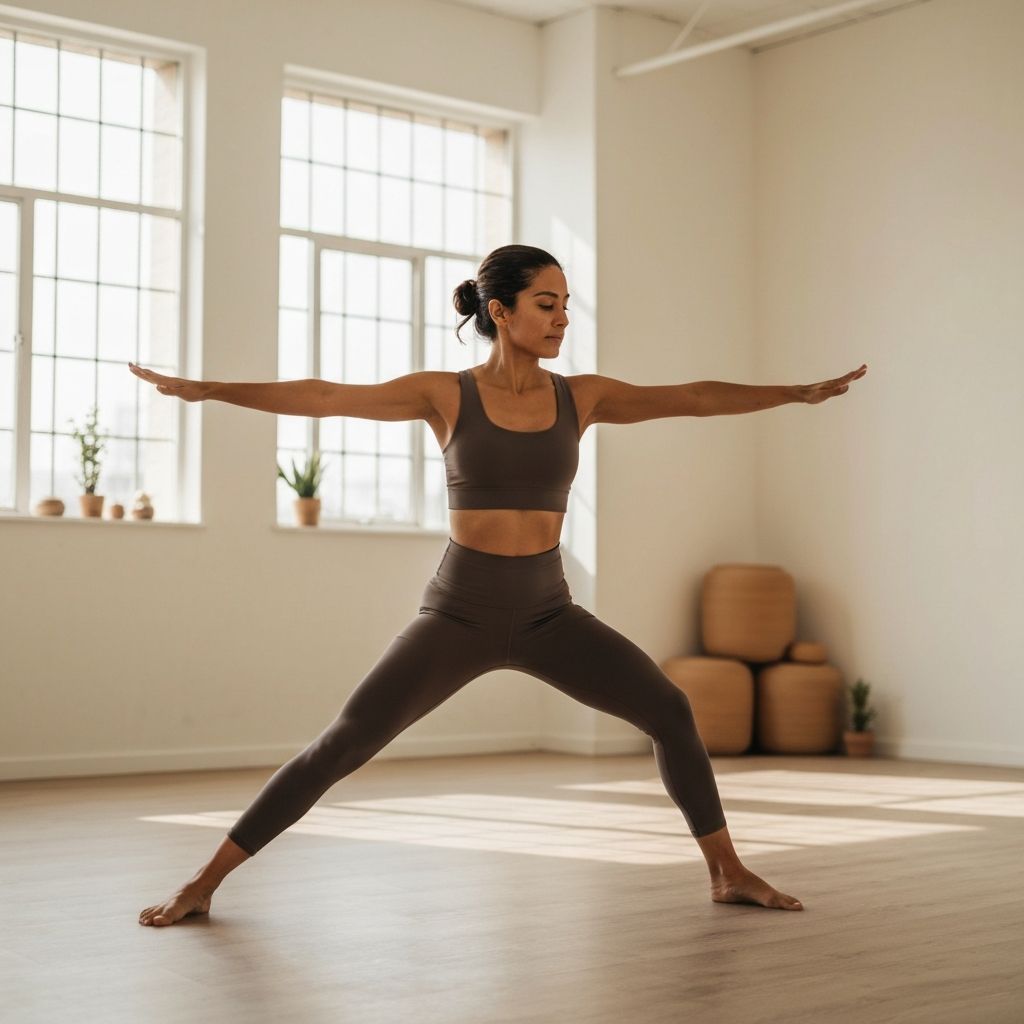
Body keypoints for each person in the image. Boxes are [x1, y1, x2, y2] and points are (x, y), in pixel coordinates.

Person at [135, 243, 867, 926]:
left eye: (566, 303)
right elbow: (326, 396)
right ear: (500, 311)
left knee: (669, 710)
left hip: (549, 613)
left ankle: (727, 872)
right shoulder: (444, 394)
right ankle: (203, 883)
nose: (562, 318)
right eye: (546, 303)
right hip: (461, 612)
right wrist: (210, 390)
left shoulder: (584, 396)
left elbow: (695, 398)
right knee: (344, 744)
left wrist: (794, 394)